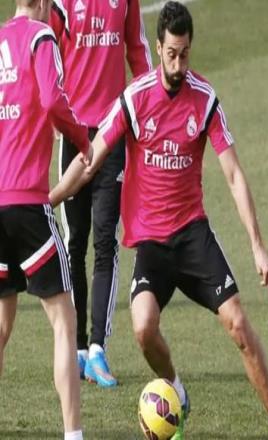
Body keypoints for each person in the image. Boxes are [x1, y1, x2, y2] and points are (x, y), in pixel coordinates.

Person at [50, 2, 268, 438]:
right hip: (152, 244)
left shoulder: (205, 99)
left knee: (238, 324)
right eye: (172, 54)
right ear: (159, 48)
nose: (179, 65)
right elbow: (90, 161)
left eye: (185, 54)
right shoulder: (135, 98)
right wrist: (49, 198)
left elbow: (234, 175)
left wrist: (258, 246)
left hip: (193, 235)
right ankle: (177, 390)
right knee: (143, 329)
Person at [50, 0, 152, 387]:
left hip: (113, 133)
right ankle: (76, 348)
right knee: (74, 242)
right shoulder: (61, 4)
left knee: (105, 241)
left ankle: (97, 349)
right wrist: (52, 117)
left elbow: (138, 50)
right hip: (74, 136)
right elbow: (47, 56)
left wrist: (151, 109)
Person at [0, 1, 90, 439]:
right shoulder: (41, 37)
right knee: (64, 321)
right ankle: (73, 435)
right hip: (28, 202)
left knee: (1, 323)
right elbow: (53, 99)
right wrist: (81, 138)